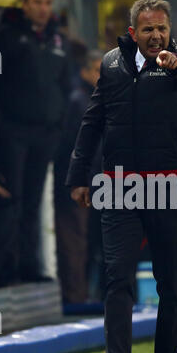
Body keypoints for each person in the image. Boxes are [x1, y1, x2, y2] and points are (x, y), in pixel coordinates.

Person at [66, 0, 177, 353]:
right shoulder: (111, 65)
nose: (156, 36)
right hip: (120, 186)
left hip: (172, 186)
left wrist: (175, 64)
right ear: (133, 32)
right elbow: (93, 122)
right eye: (148, 29)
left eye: (162, 28)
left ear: (169, 29)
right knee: (117, 278)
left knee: (172, 282)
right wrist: (79, 177)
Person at [0, 0, 71, 283]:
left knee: (34, 201)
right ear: (25, 4)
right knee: (12, 201)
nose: (43, 8)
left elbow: (65, 86)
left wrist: (57, 126)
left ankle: (29, 266)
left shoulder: (58, 41)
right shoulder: (5, 38)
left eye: (47, 2)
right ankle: (6, 268)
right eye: (37, 2)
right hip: (13, 131)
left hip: (44, 134)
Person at [54, 50, 103, 304]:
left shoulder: (93, 99)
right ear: (84, 72)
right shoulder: (80, 101)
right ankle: (76, 298)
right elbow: (75, 146)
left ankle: (84, 295)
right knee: (75, 241)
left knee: (88, 241)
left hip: (93, 182)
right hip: (80, 183)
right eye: (97, 70)